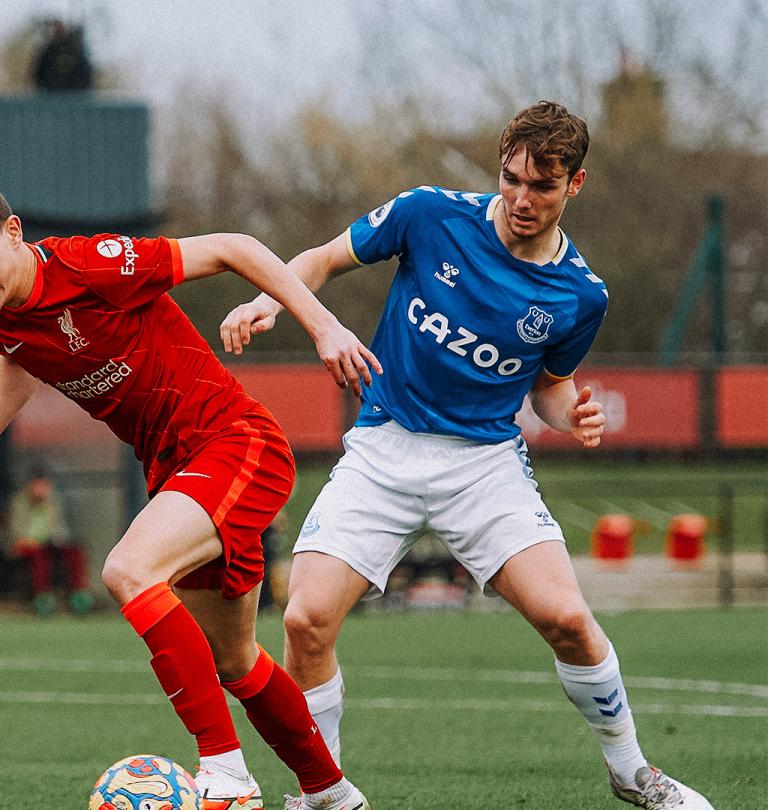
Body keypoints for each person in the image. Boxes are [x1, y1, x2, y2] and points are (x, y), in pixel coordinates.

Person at [218, 101, 712, 810]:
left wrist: (571, 415)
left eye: (542, 186)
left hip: (482, 464)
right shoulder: (430, 214)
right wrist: (273, 302)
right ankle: (320, 792)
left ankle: (632, 771)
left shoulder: (580, 295)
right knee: (304, 618)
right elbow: (324, 258)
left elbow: (547, 391)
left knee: (569, 620)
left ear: (575, 184)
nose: (520, 199)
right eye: (510, 178)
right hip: (383, 448)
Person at [0, 164, 376, 810]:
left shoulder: (91, 264)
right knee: (235, 658)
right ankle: (332, 793)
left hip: (236, 443)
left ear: (12, 231)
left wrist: (323, 326)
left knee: (128, 569)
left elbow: (230, 248)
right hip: (176, 473)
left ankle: (225, 774)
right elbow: (18, 353)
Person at [6, 467, 90, 615]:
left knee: (74, 550)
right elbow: (17, 535)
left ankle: (79, 594)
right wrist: (33, 542)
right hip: (26, 546)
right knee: (39, 555)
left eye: (45, 486)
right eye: (38, 485)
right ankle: (43, 598)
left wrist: (59, 541)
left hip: (49, 544)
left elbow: (59, 529)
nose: (42, 489)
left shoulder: (52, 502)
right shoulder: (18, 502)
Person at [32, 18, 93, 93]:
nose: (57, 31)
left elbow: (85, 73)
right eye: (55, 29)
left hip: (74, 95)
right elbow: (39, 73)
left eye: (60, 28)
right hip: (52, 95)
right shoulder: (48, 51)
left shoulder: (75, 50)